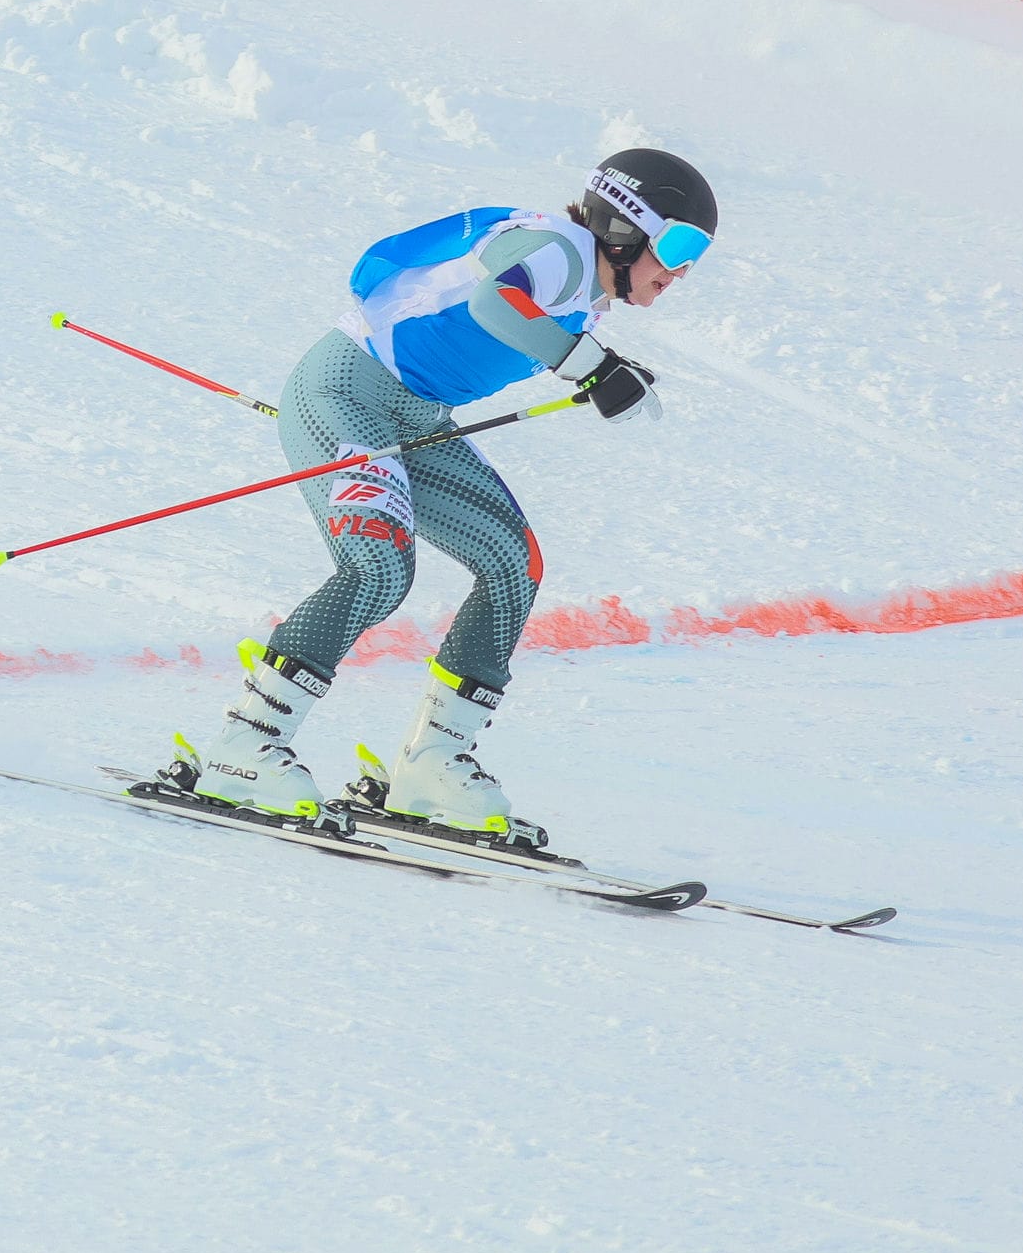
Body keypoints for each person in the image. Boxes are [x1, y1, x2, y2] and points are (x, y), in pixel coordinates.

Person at [171, 148, 717, 845]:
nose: (682, 270)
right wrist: (587, 365)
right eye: (678, 244)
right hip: (343, 394)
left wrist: (605, 371)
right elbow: (496, 301)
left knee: (512, 565)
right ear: (624, 226)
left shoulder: (585, 288)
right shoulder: (561, 249)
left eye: (697, 254)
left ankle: (429, 764)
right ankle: (243, 747)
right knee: (379, 567)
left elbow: (521, 329)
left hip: (414, 420)